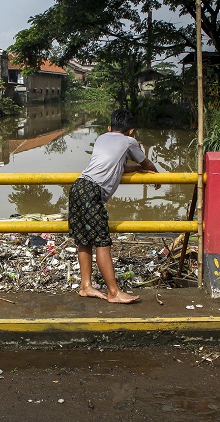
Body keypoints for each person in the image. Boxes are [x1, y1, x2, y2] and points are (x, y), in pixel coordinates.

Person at [68, 109, 159, 304]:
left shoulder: (101, 138)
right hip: (92, 192)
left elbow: (115, 165)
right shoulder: (129, 142)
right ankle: (113, 292)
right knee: (102, 242)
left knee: (84, 240)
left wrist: (138, 169)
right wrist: (154, 173)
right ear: (131, 131)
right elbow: (146, 162)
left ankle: (86, 286)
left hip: (78, 187)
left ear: (109, 128)